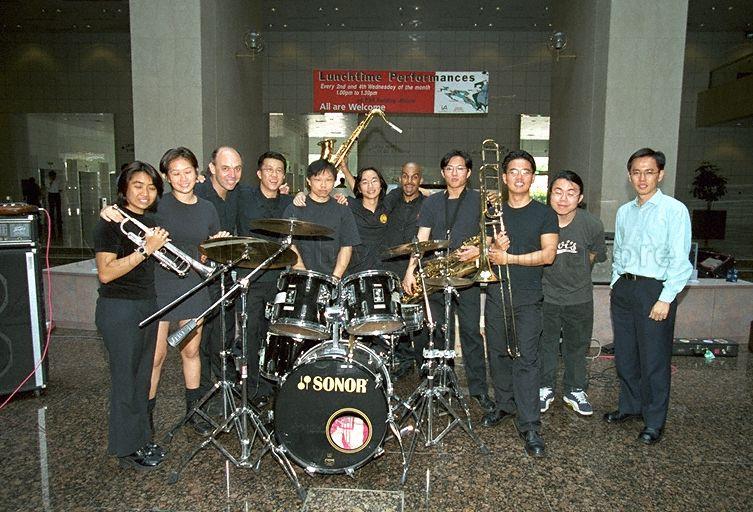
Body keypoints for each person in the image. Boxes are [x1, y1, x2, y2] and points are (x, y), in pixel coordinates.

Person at [605, 147, 692, 445]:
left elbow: (681, 262)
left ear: (661, 174)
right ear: (629, 176)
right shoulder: (624, 212)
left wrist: (666, 298)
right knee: (626, 356)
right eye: (637, 172)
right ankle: (630, 407)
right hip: (625, 288)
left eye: (649, 172)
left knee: (654, 359)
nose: (642, 178)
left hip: (655, 290)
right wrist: (617, 282)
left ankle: (654, 420)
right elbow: (619, 252)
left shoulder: (674, 210)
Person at [401, 150, 494, 414]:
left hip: (469, 276)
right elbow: (421, 239)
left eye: (460, 168)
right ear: (442, 173)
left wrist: (480, 250)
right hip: (437, 277)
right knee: (439, 331)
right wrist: (410, 271)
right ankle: (443, 384)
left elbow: (492, 235)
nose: (454, 173)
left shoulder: (480, 199)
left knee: (471, 334)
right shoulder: (431, 203)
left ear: (469, 172)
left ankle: (478, 390)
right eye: (449, 169)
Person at [482, 149, 558, 459]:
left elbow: (548, 254)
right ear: (503, 177)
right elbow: (486, 253)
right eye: (513, 171)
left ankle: (529, 425)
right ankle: (504, 405)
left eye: (525, 171)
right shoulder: (493, 214)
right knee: (498, 353)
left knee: (527, 359)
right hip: (498, 295)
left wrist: (508, 257)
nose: (519, 176)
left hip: (528, 298)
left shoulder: (544, 213)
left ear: (532, 177)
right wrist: (492, 247)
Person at [94, 161, 169, 471]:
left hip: (146, 304)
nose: (145, 192)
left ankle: (140, 439)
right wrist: (146, 250)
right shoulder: (110, 223)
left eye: (151, 187)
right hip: (119, 308)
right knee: (125, 380)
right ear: (123, 188)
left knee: (142, 379)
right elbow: (106, 273)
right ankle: (126, 450)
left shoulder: (150, 221)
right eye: (138, 185)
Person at [150, 147, 227, 436]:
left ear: (198, 173)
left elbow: (205, 253)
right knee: (155, 357)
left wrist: (216, 246)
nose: (183, 179)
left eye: (187, 172)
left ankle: (194, 412)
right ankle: (146, 418)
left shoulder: (208, 208)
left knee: (191, 351)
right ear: (167, 177)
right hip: (160, 286)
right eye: (175, 173)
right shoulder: (157, 205)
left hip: (194, 284)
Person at [539, 170, 606, 417]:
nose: (563, 198)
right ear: (549, 195)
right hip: (546, 296)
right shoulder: (540, 220)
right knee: (544, 345)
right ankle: (544, 387)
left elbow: (592, 257)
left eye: (571, 193)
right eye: (558, 192)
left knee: (577, 347)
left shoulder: (592, 225)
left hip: (579, 297)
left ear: (580, 197)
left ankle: (575, 389)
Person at [236, 151, 293, 403]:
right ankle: (252, 389)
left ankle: (275, 383)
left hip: (278, 280)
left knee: (275, 335)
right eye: (269, 169)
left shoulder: (288, 202)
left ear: (284, 176)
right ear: (259, 173)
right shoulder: (243, 197)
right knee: (250, 335)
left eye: (279, 170)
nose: (274, 174)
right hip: (250, 279)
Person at [194, 147, 243, 393]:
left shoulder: (237, 194)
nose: (232, 174)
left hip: (226, 278)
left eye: (237, 169)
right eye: (225, 168)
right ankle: (201, 393)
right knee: (199, 342)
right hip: (199, 280)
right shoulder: (197, 192)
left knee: (224, 334)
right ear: (211, 168)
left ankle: (223, 384)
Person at [282, 159, 360, 278]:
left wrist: (334, 279)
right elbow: (290, 245)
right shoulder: (294, 208)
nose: (323, 185)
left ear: (334, 181)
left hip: (336, 279)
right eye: (317, 180)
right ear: (308, 181)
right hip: (301, 277)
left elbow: (347, 246)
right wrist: (305, 275)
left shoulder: (343, 209)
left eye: (328, 180)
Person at [47, 170, 62, 238]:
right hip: (51, 194)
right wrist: (51, 181)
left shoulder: (58, 180)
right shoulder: (47, 180)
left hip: (56, 194)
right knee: (51, 208)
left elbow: (59, 188)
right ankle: (51, 219)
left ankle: (59, 219)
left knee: (58, 207)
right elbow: (48, 187)